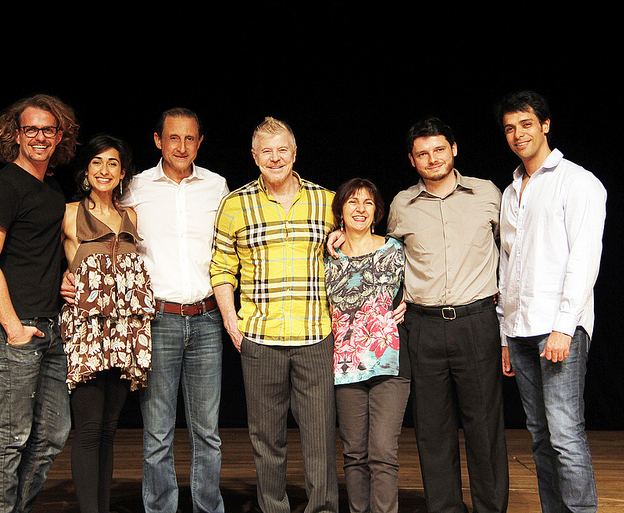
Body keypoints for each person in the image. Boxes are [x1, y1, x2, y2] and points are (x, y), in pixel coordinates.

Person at [211, 117, 338, 513]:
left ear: (295, 153)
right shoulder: (235, 204)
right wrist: (232, 321)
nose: (275, 158)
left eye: (283, 149)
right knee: (267, 440)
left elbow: (354, 251)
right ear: (254, 157)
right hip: (260, 339)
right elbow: (220, 268)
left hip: (315, 336)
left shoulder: (328, 201)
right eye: (267, 151)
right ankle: (274, 508)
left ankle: (323, 509)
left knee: (319, 437)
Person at [386, 117, 509, 513]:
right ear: (412, 160)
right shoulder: (402, 205)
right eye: (422, 153)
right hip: (423, 327)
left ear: (453, 149)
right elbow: (383, 254)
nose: (432, 158)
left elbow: (512, 255)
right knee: (433, 431)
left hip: (477, 322)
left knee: (484, 427)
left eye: (439, 149)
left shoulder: (487, 193)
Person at [496, 90, 606, 513]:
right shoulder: (512, 190)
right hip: (520, 330)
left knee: (565, 435)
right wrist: (505, 333)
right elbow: (509, 267)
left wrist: (564, 326)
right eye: (510, 127)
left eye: (526, 124)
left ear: (545, 125)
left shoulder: (577, 181)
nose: (518, 133)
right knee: (540, 436)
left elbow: (584, 259)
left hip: (558, 328)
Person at [0, 93, 79, 513]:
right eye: (30, 129)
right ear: (15, 134)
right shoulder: (3, 186)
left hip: (51, 328)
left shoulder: (51, 187)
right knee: (12, 435)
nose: (39, 137)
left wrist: (63, 278)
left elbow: (39, 252)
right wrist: (14, 328)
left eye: (47, 129)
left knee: (53, 433)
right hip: (12, 331)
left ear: (59, 136)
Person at [123, 108, 229, 513]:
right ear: (157, 140)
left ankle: (207, 507)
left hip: (206, 318)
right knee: (157, 433)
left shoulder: (217, 186)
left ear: (199, 143)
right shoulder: (135, 187)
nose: (181, 147)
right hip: (158, 319)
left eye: (189, 139)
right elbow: (98, 222)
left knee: (207, 432)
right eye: (173, 138)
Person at [59, 134, 155, 513]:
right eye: (97, 162)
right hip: (87, 330)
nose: (104, 170)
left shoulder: (130, 216)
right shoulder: (68, 212)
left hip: (125, 331)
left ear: (122, 172)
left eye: (112, 163)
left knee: (109, 430)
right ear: (86, 170)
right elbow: (41, 259)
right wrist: (59, 281)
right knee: (87, 430)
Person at [324, 178, 409, 513]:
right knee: (355, 454)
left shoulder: (395, 250)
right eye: (352, 202)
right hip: (344, 365)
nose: (360, 209)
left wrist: (410, 306)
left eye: (368, 203)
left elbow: (421, 288)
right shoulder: (328, 256)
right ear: (340, 211)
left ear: (377, 211)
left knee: (382, 452)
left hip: (390, 364)